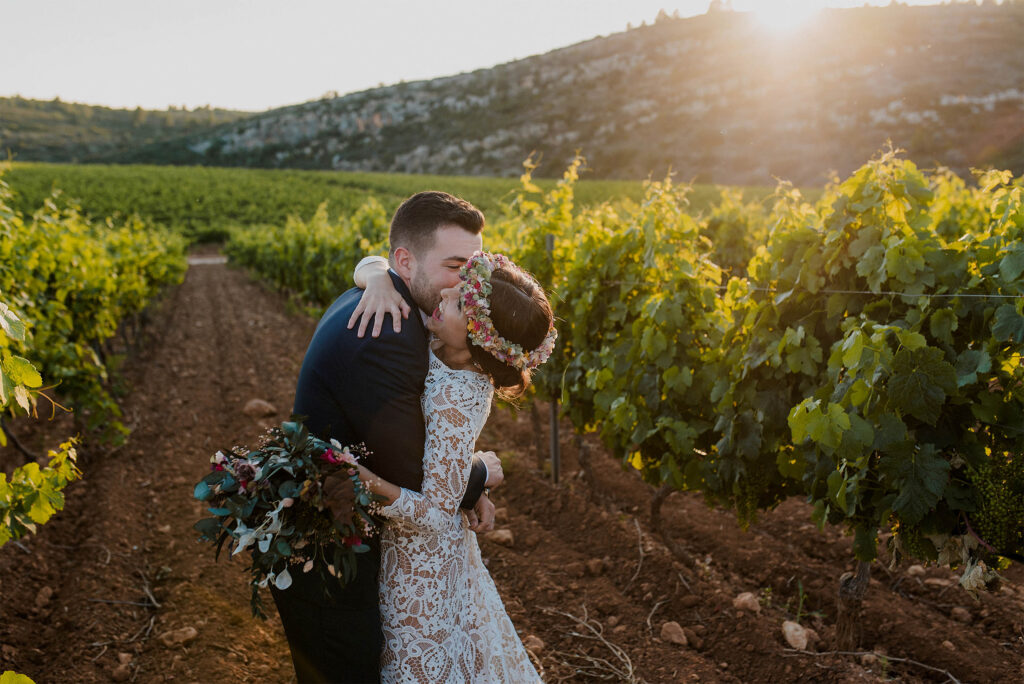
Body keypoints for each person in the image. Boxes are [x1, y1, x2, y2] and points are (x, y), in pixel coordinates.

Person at [274, 191, 504, 683]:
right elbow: (416, 481)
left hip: (334, 533)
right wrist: (481, 473)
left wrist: (374, 271)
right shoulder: (390, 333)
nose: (468, 282)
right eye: (456, 264)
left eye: (474, 265)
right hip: (324, 548)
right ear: (405, 260)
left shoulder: (385, 297)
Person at [352, 250, 553, 683]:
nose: (445, 293)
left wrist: (363, 481)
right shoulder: (445, 345)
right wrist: (380, 280)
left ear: (480, 338)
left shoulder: (458, 397)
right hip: (418, 558)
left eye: (460, 302)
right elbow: (368, 262)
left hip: (419, 574)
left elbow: (435, 516)